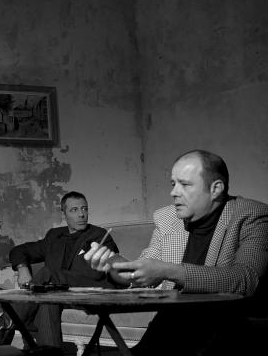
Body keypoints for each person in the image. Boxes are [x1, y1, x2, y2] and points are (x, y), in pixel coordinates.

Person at [84, 149, 268, 355]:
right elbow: (145, 270)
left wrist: (167, 270)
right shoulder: (167, 218)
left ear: (216, 188)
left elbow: (245, 279)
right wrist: (116, 265)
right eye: (173, 184)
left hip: (225, 327)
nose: (174, 192)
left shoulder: (251, 215)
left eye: (185, 184)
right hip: (170, 325)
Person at [0, 191, 121, 348]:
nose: (81, 214)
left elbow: (97, 274)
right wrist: (22, 268)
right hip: (58, 294)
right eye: (74, 210)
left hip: (90, 291)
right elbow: (18, 251)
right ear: (64, 214)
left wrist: (55, 279)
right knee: (47, 299)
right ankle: (48, 351)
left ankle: (3, 328)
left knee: (48, 275)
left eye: (84, 209)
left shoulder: (99, 235)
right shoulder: (55, 236)